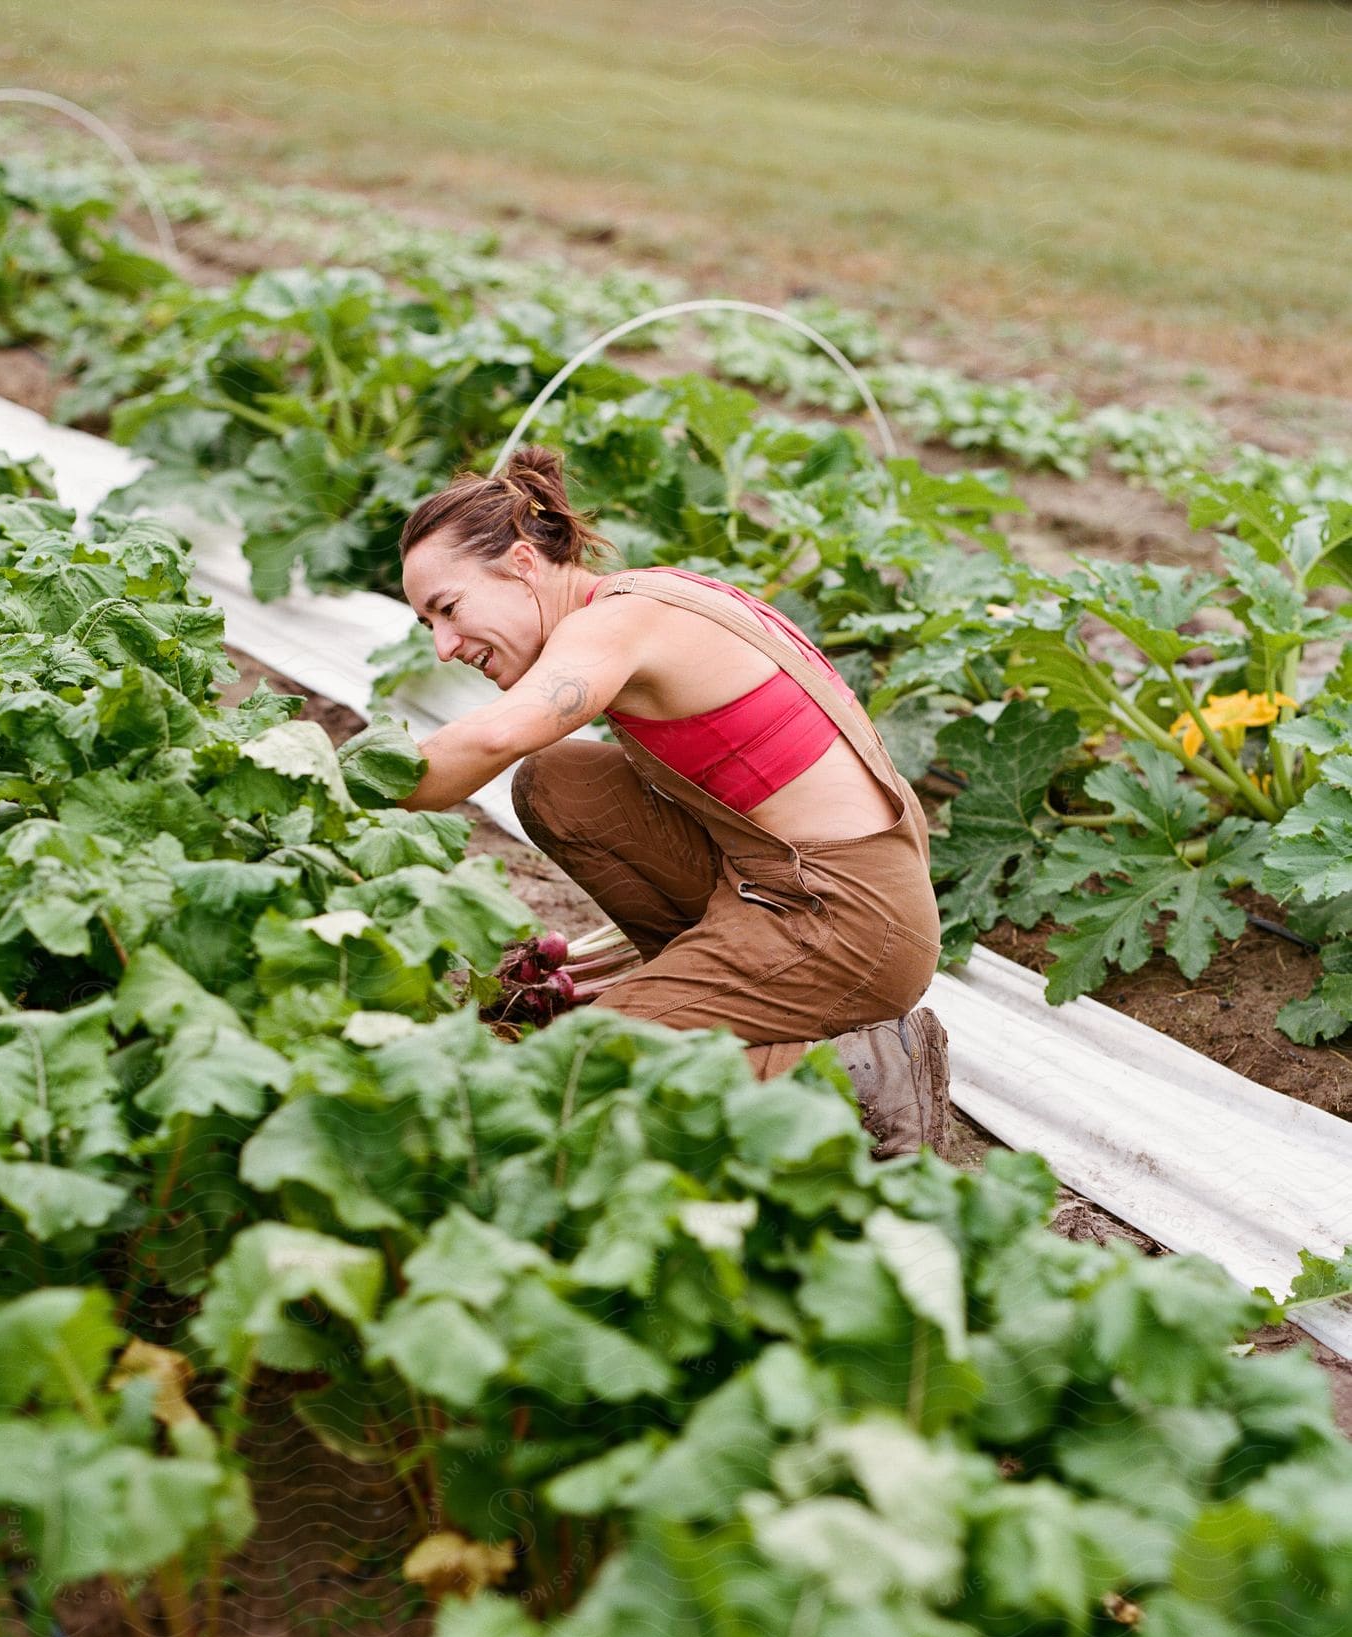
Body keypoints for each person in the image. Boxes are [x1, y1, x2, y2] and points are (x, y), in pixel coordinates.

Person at [395, 445, 951, 1157]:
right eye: (426, 625)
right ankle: (709, 995)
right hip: (783, 879)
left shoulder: (617, 624)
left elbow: (497, 734)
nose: (443, 646)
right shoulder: (636, 596)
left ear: (524, 567)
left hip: (849, 922)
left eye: (449, 608)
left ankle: (854, 1084)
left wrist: (334, 787)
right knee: (557, 782)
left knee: (578, 1071)